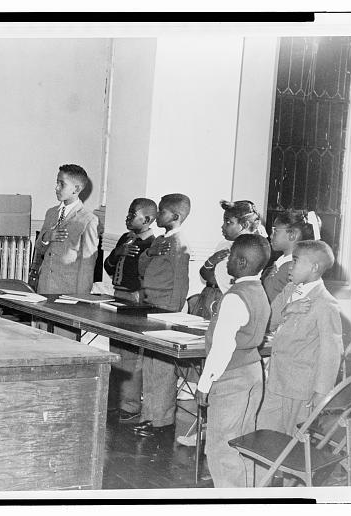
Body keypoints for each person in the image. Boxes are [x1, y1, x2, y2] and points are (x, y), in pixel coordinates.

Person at [255, 240, 343, 485]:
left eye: (295, 261)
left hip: (300, 389)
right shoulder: (290, 290)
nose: (290, 266)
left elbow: (331, 352)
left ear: (314, 267)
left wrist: (321, 393)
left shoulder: (326, 304)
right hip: (276, 380)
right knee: (264, 437)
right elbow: (268, 321)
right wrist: (288, 310)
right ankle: (261, 488)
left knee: (291, 446)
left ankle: (286, 492)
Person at [195, 234, 271, 488]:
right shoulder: (258, 291)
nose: (226, 261)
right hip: (253, 371)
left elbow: (222, 347)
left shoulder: (235, 297)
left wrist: (204, 383)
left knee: (222, 447)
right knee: (243, 441)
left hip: (231, 376)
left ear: (240, 262)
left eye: (230, 257)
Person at [132, 194, 191, 437]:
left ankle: (161, 421)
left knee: (162, 368)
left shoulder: (179, 243)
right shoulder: (161, 241)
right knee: (150, 364)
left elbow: (180, 282)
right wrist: (150, 252)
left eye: (163, 212)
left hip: (166, 308)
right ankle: (150, 415)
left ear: (175, 216)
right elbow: (141, 267)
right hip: (151, 304)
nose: (158, 215)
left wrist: (174, 314)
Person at [103, 198, 158, 421]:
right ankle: (115, 400)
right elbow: (108, 266)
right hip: (118, 295)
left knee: (132, 355)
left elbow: (146, 275)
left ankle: (130, 404)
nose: (127, 217)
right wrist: (119, 252)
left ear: (147, 219)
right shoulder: (126, 238)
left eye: (133, 214)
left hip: (135, 299)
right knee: (116, 350)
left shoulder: (152, 244)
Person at [30, 164, 99, 295]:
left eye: (62, 184)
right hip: (44, 287)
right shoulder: (51, 213)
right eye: (57, 183)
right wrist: (47, 237)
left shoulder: (88, 220)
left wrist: (81, 297)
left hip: (68, 291)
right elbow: (39, 248)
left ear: (76, 189)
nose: (56, 187)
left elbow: (87, 265)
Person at [192, 200, 265, 319]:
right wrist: (211, 261)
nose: (223, 226)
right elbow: (205, 276)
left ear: (245, 225)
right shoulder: (223, 244)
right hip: (208, 296)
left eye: (228, 222)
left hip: (227, 300)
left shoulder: (252, 251)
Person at [261, 210, 321, 303]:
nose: (271, 235)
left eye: (275, 231)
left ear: (292, 235)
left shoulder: (291, 268)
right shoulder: (283, 262)